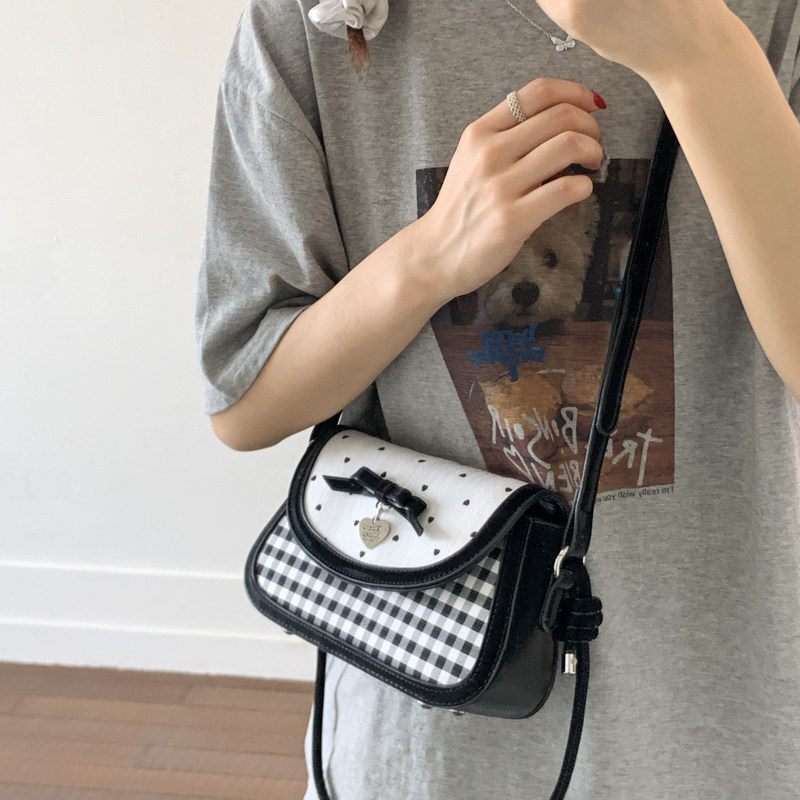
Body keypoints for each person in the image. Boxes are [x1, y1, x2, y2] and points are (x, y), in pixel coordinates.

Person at [194, 0, 800, 797]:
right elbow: (244, 401)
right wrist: (433, 258)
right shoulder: (312, 22)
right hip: (427, 720)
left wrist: (702, 55)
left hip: (722, 719)